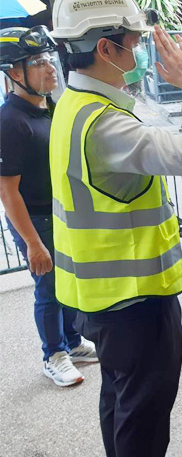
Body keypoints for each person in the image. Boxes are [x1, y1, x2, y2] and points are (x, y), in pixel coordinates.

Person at [49, 0, 182, 457]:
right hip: (135, 302)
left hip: (101, 301)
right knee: (143, 420)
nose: (141, 51)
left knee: (120, 402)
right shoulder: (106, 124)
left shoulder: (73, 106)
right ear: (106, 49)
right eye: (133, 41)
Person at [0, 26, 98, 387]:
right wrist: (32, 243)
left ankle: (73, 343)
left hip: (60, 213)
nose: (50, 68)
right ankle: (53, 354)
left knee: (67, 281)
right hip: (35, 219)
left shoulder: (49, 108)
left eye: (49, 60)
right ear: (14, 73)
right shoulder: (9, 121)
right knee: (48, 288)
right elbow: (8, 192)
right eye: (38, 62)